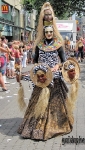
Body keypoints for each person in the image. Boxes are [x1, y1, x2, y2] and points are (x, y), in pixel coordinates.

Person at [17, 2, 80, 141]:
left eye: (51, 31)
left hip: (55, 78)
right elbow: (34, 62)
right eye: (47, 32)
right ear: (44, 32)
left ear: (53, 31)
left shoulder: (59, 43)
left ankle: (56, 125)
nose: (49, 33)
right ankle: (36, 127)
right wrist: (40, 69)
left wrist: (58, 66)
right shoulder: (39, 44)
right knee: (38, 102)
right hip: (42, 76)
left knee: (56, 102)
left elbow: (64, 61)